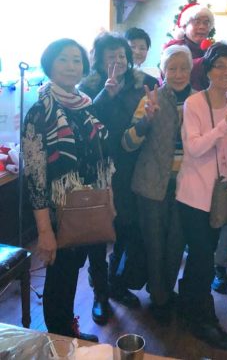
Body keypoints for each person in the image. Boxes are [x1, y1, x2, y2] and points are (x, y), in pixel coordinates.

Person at [23, 39, 105, 342]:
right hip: (56, 211)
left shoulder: (85, 105)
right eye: (63, 60)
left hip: (85, 205)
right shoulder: (39, 112)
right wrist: (45, 231)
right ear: (49, 65)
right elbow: (35, 176)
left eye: (76, 60)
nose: (71, 66)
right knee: (59, 277)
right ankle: (58, 339)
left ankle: (67, 330)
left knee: (71, 272)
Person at [79, 33, 159, 323]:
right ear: (99, 60)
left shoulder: (142, 85)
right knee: (100, 232)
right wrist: (105, 96)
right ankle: (100, 292)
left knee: (128, 227)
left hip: (130, 168)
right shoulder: (87, 88)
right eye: (110, 56)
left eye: (122, 55)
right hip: (98, 170)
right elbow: (83, 124)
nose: (117, 61)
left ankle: (116, 281)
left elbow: (146, 124)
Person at [177, 42, 227, 350]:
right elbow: (195, 148)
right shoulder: (194, 103)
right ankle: (204, 320)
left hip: (219, 193)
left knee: (205, 257)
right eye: (220, 66)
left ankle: (188, 304)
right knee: (203, 258)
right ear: (208, 70)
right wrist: (224, 125)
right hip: (193, 195)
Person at [121, 45, 193, 324]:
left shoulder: (198, 101)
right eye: (172, 68)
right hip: (151, 182)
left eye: (183, 68)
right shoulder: (150, 99)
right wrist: (146, 121)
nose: (178, 74)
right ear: (163, 71)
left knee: (177, 242)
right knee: (154, 243)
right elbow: (127, 143)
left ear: (191, 70)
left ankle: (161, 289)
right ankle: (160, 299)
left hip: (187, 184)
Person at [163, 0, 227, 90]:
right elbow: (186, 69)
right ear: (184, 26)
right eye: (197, 22)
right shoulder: (175, 47)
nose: (202, 26)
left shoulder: (210, 48)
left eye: (206, 23)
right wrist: (216, 56)